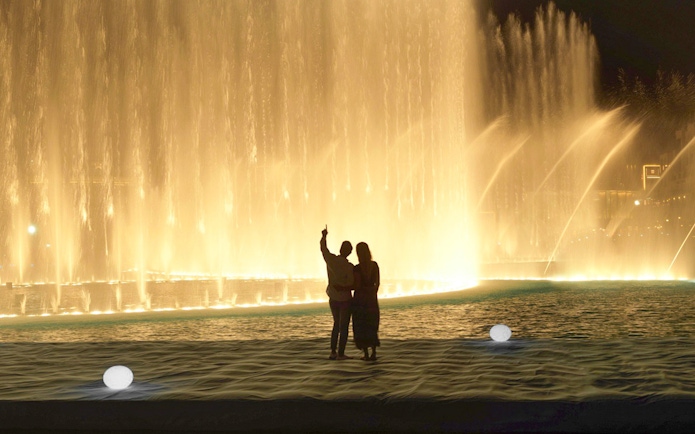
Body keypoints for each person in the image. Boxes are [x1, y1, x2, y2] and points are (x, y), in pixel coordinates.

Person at [320, 225, 354, 360]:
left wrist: (324, 236)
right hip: (345, 299)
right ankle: (341, 353)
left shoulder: (331, 260)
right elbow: (351, 284)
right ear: (350, 252)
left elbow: (323, 249)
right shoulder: (349, 267)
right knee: (343, 326)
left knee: (336, 324)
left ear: (340, 249)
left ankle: (333, 352)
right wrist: (344, 288)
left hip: (333, 297)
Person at [351, 242, 380, 361]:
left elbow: (357, 285)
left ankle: (366, 354)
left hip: (360, 301)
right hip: (372, 300)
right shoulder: (374, 265)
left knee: (361, 325)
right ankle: (374, 352)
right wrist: (372, 293)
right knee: (372, 325)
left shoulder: (357, 268)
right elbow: (377, 283)